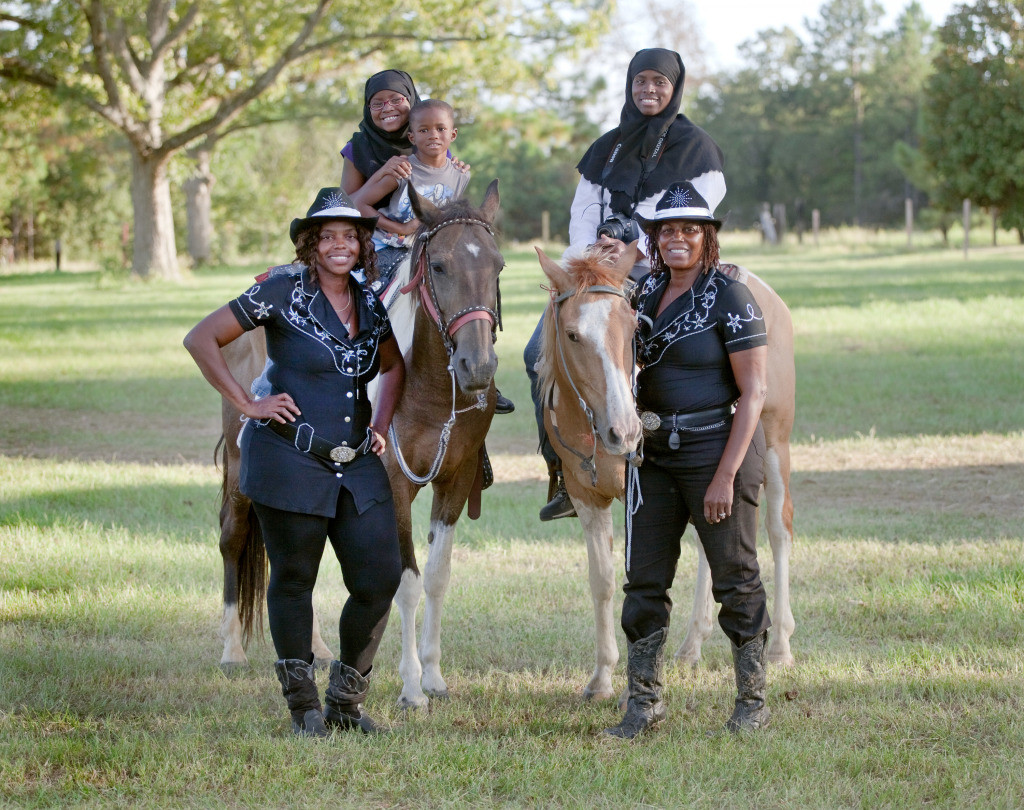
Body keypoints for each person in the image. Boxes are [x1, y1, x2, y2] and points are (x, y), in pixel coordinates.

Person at [184, 188, 405, 737]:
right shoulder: (281, 291)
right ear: (310, 244)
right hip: (287, 456)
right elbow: (201, 338)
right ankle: (304, 707)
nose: (339, 246)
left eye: (349, 237)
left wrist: (379, 425)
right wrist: (248, 403)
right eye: (327, 236)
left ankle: (345, 704)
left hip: (354, 462)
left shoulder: (371, 302)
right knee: (293, 580)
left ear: (361, 245)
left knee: (379, 578)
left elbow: (393, 367)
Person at [525, 47, 725, 520]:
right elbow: (582, 209)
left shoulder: (698, 149)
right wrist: (585, 260)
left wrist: (633, 238)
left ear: (675, 87)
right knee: (536, 353)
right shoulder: (606, 147)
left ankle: (672, 458)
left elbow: (695, 211)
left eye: (659, 82)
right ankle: (563, 471)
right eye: (640, 81)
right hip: (596, 271)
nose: (649, 90)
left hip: (661, 266)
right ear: (630, 85)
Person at [603, 180, 771, 739]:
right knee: (643, 581)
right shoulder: (644, 292)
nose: (678, 239)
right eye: (667, 230)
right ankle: (643, 702)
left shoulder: (731, 297)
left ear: (708, 238)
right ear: (654, 239)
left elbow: (754, 394)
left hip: (716, 451)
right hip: (651, 456)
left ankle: (751, 700)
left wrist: (725, 475)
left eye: (689, 230)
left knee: (735, 578)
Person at [351, 98, 471, 286]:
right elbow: (359, 205)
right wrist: (402, 229)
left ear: (453, 134)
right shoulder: (404, 170)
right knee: (376, 290)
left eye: (441, 129)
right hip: (388, 244)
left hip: (426, 247)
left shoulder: (460, 175)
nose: (433, 135)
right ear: (412, 137)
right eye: (424, 130)